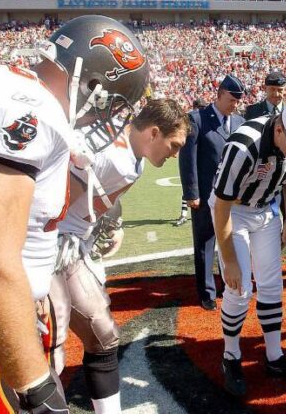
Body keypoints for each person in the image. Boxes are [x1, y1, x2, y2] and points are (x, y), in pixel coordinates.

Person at [0, 15, 149, 413]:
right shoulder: (24, 107)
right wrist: (36, 387)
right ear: (93, 86)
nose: (109, 120)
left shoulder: (5, 86)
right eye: (114, 104)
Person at [49, 98, 189, 414]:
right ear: (154, 132)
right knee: (49, 350)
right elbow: (50, 199)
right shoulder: (114, 156)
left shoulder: (129, 155)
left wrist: (104, 222)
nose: (175, 154)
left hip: (67, 248)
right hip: (45, 249)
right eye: (174, 144)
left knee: (103, 335)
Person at [211, 101, 286, 397]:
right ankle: (231, 356)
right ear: (279, 128)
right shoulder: (244, 145)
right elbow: (221, 206)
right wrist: (229, 259)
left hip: (266, 209)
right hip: (233, 212)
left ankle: (274, 357)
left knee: (272, 286)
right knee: (239, 287)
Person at [179, 76, 246, 310]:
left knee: (232, 240)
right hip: (206, 194)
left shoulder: (239, 121)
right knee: (205, 243)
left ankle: (229, 283)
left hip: (233, 197)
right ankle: (206, 292)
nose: (235, 104)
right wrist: (191, 192)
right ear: (219, 94)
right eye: (231, 99)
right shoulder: (196, 119)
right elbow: (188, 158)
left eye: (238, 100)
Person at [245, 70, 286, 277]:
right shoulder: (252, 111)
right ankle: (256, 265)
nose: (276, 94)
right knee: (258, 221)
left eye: (280, 90)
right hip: (262, 176)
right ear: (265, 89)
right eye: (272, 90)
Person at [174, 98, 208, 227]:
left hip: (202, 158)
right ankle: (183, 213)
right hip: (191, 157)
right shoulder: (190, 119)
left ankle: (184, 214)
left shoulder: (203, 119)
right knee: (189, 186)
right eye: (200, 107)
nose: (201, 110)